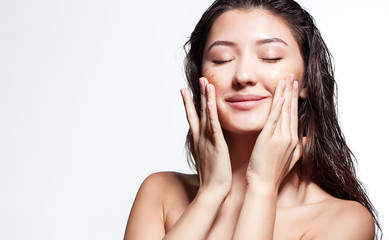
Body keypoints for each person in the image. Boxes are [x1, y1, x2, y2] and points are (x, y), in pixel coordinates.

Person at [124, 0, 381, 239]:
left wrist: (262, 188)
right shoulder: (161, 193)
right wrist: (210, 195)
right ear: (199, 77)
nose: (243, 75)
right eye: (221, 59)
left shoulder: (343, 220)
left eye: (271, 56)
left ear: (306, 81)